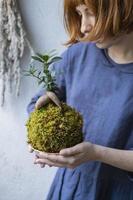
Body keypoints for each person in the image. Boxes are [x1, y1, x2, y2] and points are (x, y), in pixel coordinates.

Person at [27, 0, 133, 199]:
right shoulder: (77, 54)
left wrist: (96, 153)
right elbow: (37, 103)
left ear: (123, 8)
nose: (84, 26)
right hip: (71, 189)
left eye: (91, 13)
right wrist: (39, 126)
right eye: (80, 14)